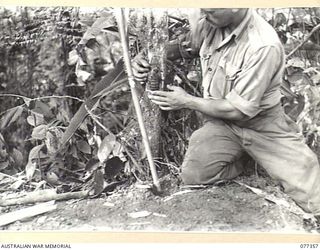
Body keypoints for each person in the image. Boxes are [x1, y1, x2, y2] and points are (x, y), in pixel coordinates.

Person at [132, 8, 320, 217]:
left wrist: (187, 101)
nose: (202, 15)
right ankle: (246, 159)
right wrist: (148, 57)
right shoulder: (212, 22)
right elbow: (187, 46)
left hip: (263, 125)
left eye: (209, 11)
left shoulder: (263, 44)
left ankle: (262, 155)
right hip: (221, 122)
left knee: (312, 194)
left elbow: (238, 110)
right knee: (195, 174)